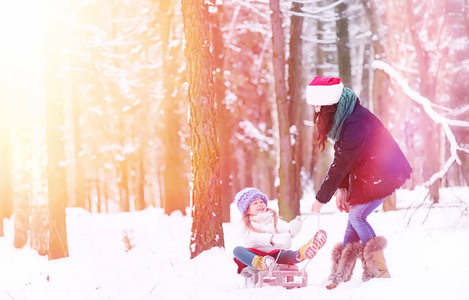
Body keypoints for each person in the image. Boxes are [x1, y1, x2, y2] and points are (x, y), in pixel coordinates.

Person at [306, 76, 412, 289]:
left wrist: (321, 198)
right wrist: (342, 189)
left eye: (319, 105)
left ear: (330, 103)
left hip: (385, 172)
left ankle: (378, 270)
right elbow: (345, 155)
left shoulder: (355, 121)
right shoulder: (345, 116)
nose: (316, 111)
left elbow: (342, 161)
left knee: (357, 216)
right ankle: (340, 273)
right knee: (352, 220)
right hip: (367, 173)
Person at [233, 187, 326, 274]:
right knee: (237, 251)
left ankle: (302, 252)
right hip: (255, 255)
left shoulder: (272, 218)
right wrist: (273, 239)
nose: (260, 204)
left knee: (288, 254)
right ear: (247, 210)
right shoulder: (247, 223)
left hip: (274, 255)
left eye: (261, 201)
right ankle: (261, 263)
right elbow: (251, 238)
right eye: (255, 203)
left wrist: (292, 228)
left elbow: (284, 228)